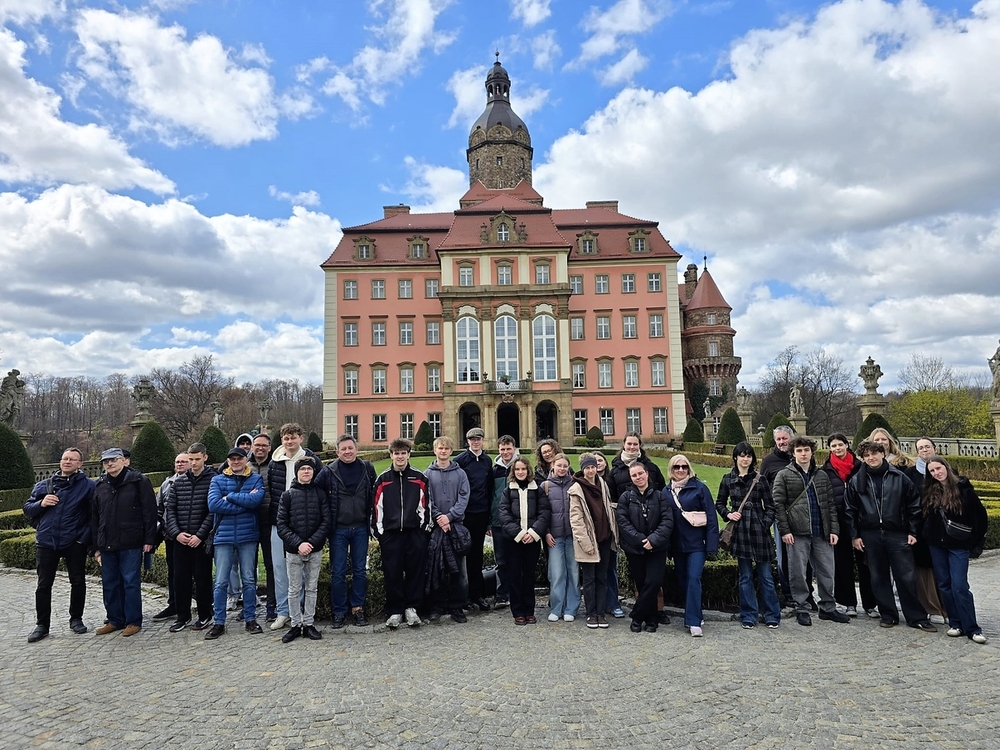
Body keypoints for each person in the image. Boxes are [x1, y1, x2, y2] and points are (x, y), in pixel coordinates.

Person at [845, 440, 935, 632]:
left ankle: (916, 616)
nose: (871, 458)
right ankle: (888, 614)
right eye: (867, 455)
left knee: (906, 576)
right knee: (878, 577)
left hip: (897, 533)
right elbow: (850, 510)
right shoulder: (856, 480)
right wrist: (854, 535)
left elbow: (913, 505)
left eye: (874, 453)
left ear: (883, 454)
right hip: (870, 535)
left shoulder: (899, 477)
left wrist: (912, 531)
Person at [772, 438, 849, 627]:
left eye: (806, 450)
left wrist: (833, 529)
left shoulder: (821, 475)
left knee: (827, 570)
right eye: (799, 450)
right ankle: (802, 607)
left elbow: (830, 504)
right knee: (797, 572)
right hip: (797, 531)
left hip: (821, 530)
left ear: (812, 452)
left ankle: (828, 607)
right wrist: (785, 530)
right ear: (793, 453)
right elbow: (778, 505)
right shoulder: (784, 475)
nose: (803, 453)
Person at [23, 447, 95, 642]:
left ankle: (76, 619)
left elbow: (94, 516)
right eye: (65, 458)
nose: (67, 462)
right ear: (60, 462)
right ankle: (42, 625)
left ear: (80, 464)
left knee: (78, 581)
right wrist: (41, 504)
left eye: (72, 459)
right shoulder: (44, 485)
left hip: (74, 542)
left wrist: (83, 538)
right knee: (43, 585)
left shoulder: (88, 486)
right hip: (47, 542)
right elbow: (27, 509)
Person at [920, 456, 989, 644]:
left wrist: (972, 541)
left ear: (946, 467)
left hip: (958, 545)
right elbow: (925, 516)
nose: (936, 473)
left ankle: (972, 628)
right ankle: (956, 623)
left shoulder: (963, 488)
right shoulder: (930, 490)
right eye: (932, 471)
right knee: (944, 584)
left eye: (938, 468)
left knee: (960, 585)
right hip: (937, 545)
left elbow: (980, 517)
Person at [91, 447, 157, 637]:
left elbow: (150, 512)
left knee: (130, 582)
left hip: (131, 540)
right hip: (107, 542)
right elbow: (95, 517)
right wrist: (95, 546)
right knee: (109, 583)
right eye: (106, 461)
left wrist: (149, 539)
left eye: (113, 460)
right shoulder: (100, 484)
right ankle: (115, 619)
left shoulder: (138, 481)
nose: (109, 464)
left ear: (122, 460)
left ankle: (133, 620)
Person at [716, 442, 780, 629]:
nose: (745, 459)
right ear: (735, 457)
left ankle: (771, 614)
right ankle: (749, 615)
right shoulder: (728, 479)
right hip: (741, 531)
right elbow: (719, 502)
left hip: (759, 532)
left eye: (749, 456)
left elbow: (770, 506)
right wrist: (728, 513)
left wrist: (764, 523)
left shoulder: (760, 480)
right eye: (742, 455)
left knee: (766, 576)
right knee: (745, 576)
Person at [205, 447, 265, 639]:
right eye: (232, 459)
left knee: (248, 580)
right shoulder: (217, 479)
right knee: (221, 582)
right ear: (228, 461)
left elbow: (255, 501)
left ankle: (250, 618)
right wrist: (244, 502)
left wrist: (230, 496)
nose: (236, 461)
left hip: (248, 536)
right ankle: (219, 622)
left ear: (246, 459)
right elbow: (214, 505)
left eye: (239, 458)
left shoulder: (255, 479)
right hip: (223, 537)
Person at [608, 433, 668, 623]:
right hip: (633, 532)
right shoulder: (616, 469)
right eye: (629, 444)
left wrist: (653, 538)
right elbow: (611, 498)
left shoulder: (651, 467)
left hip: (654, 530)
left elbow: (663, 493)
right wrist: (638, 537)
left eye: (635, 444)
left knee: (654, 581)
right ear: (623, 445)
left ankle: (643, 613)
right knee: (641, 580)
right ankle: (648, 615)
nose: (632, 447)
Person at [372, 438, 431, 629]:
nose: (400, 456)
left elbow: (426, 507)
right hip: (391, 534)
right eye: (396, 453)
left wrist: (422, 532)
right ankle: (395, 610)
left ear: (408, 454)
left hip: (414, 533)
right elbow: (376, 509)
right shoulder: (383, 479)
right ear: (391, 455)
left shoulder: (419, 478)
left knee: (415, 572)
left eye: (403, 453)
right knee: (392, 573)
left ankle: (412, 608)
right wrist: (380, 534)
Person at [267, 423, 318, 630]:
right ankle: (283, 611)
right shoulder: (274, 462)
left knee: (304, 572)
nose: (290, 441)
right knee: (280, 569)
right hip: (280, 523)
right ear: (282, 440)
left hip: (305, 523)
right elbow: (271, 490)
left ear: (300, 438)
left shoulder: (311, 460)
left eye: (293, 437)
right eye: (286, 438)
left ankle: (305, 614)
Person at [820, 434, 875, 618]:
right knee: (842, 564)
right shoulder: (826, 470)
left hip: (861, 521)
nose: (837, 448)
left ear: (847, 445)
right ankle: (848, 603)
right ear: (829, 448)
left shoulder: (861, 467)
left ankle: (870, 604)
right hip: (838, 522)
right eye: (833, 446)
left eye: (840, 445)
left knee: (865, 563)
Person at [163, 443, 217, 633]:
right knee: (180, 579)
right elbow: (170, 509)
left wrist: (200, 535)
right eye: (190, 459)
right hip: (181, 539)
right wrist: (176, 533)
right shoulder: (179, 482)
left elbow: (213, 511)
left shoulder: (214, 480)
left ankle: (205, 615)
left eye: (196, 459)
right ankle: (182, 616)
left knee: (202, 579)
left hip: (201, 539)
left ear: (205, 458)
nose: (193, 463)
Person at [276, 457, 331, 642]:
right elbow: (282, 525)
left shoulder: (320, 494)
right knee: (294, 589)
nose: (306, 472)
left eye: (309, 469)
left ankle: (308, 623)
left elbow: (326, 522)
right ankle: (295, 624)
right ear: (297, 472)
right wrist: (299, 544)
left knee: (311, 588)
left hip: (314, 550)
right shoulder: (288, 495)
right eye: (303, 469)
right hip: (294, 550)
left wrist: (312, 543)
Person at [326, 433, 377, 628]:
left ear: (356, 449)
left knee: (359, 571)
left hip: (360, 528)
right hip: (338, 529)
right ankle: (339, 611)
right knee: (337, 572)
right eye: (343, 449)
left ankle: (358, 609)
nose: (347, 452)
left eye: (350, 448)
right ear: (337, 451)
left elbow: (374, 492)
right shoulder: (329, 471)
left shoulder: (367, 468)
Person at [667, 453, 720, 636]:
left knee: (693, 578)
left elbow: (711, 517)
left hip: (697, 544)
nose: (681, 470)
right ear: (671, 470)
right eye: (677, 467)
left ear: (689, 468)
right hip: (677, 546)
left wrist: (712, 545)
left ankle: (693, 621)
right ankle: (697, 612)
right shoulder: (666, 492)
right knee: (684, 580)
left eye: (684, 467)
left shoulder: (699, 488)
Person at [616, 462, 672, 633]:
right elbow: (623, 522)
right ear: (631, 478)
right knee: (641, 584)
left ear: (647, 474)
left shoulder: (660, 496)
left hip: (657, 548)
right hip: (635, 548)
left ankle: (637, 616)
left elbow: (667, 521)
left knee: (653, 582)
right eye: (634, 475)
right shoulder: (626, 497)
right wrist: (641, 540)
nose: (638, 477)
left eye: (640, 473)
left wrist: (653, 540)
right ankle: (651, 618)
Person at [497, 456, 550, 625]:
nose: (520, 472)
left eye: (523, 469)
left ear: (528, 471)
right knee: (514, 575)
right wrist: (519, 534)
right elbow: (504, 516)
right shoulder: (508, 490)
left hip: (532, 540)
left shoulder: (538, 489)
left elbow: (544, 512)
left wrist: (533, 533)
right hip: (513, 540)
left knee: (529, 575)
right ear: (513, 471)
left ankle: (529, 610)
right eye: (517, 469)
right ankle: (518, 611)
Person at [569, 453, 618, 629]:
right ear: (582, 470)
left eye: (593, 467)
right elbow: (576, 520)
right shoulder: (576, 488)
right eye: (587, 468)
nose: (591, 470)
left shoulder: (602, 483)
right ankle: (591, 614)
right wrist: (587, 544)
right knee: (589, 579)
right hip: (588, 541)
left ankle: (600, 613)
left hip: (604, 537)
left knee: (602, 577)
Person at [425, 436, 471, 622]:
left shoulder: (460, 474)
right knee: (436, 568)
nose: (443, 451)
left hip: (456, 526)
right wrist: (439, 517)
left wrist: (449, 517)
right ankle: (437, 606)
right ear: (435, 450)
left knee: (459, 570)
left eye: (446, 448)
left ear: (451, 451)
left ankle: (457, 606)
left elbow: (464, 497)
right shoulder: (427, 473)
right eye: (440, 448)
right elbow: (426, 499)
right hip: (436, 527)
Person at [904, 436, 948, 623]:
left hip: (944, 528)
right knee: (924, 570)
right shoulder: (910, 473)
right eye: (920, 448)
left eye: (927, 447)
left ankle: (948, 607)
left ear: (935, 449)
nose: (924, 450)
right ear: (917, 452)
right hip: (920, 527)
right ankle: (932, 607)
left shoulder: (947, 470)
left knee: (944, 568)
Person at [454, 427, 493, 612]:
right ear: (467, 441)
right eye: (472, 439)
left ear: (482, 440)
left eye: (478, 439)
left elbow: (490, 489)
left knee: (477, 556)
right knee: (462, 556)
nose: (475, 442)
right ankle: (462, 597)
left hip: (482, 513)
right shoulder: (460, 460)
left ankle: (477, 595)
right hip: (465, 514)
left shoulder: (487, 460)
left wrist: (489, 520)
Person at [151, 452, 189, 622]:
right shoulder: (167, 483)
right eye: (177, 462)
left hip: (193, 535)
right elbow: (160, 510)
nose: (180, 464)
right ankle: (174, 604)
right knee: (173, 573)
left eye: (183, 462)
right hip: (171, 536)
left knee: (196, 572)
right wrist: (165, 531)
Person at [760, 425, 795, 606]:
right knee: (783, 556)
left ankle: (807, 594)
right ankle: (788, 593)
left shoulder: (800, 456)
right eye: (779, 439)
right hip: (780, 515)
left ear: (791, 438)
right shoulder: (769, 461)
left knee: (805, 556)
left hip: (802, 515)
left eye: (784, 439)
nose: (782, 442)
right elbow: (760, 487)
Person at [543, 453, 580, 623]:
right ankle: (557, 608)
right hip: (554, 537)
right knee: (557, 574)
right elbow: (542, 513)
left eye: (565, 466)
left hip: (572, 536)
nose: (562, 469)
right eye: (559, 466)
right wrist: (547, 532)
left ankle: (571, 608)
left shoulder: (575, 485)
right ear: (553, 466)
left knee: (573, 573)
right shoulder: (546, 486)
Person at [248, 433, 277, 622]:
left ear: (269, 447)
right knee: (248, 567)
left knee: (271, 565)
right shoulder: (244, 465)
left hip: (269, 520)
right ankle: (248, 605)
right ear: (252, 447)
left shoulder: (275, 466)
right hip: (248, 521)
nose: (260, 448)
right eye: (257, 445)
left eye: (264, 445)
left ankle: (271, 606)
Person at [489, 435, 519, 609]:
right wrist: (489, 523)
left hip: (517, 523)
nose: (506, 452)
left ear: (514, 448)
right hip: (498, 522)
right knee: (501, 561)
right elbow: (490, 497)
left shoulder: (521, 467)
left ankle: (516, 593)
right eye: (502, 449)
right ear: (499, 450)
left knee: (516, 560)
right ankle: (501, 595)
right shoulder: (495, 470)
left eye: (508, 449)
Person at [595, 452, 625, 618]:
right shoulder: (584, 481)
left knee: (610, 568)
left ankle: (613, 603)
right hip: (593, 533)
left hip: (610, 531)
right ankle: (596, 606)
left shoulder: (612, 479)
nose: (598, 464)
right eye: (594, 461)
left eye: (600, 460)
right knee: (594, 572)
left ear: (605, 463)